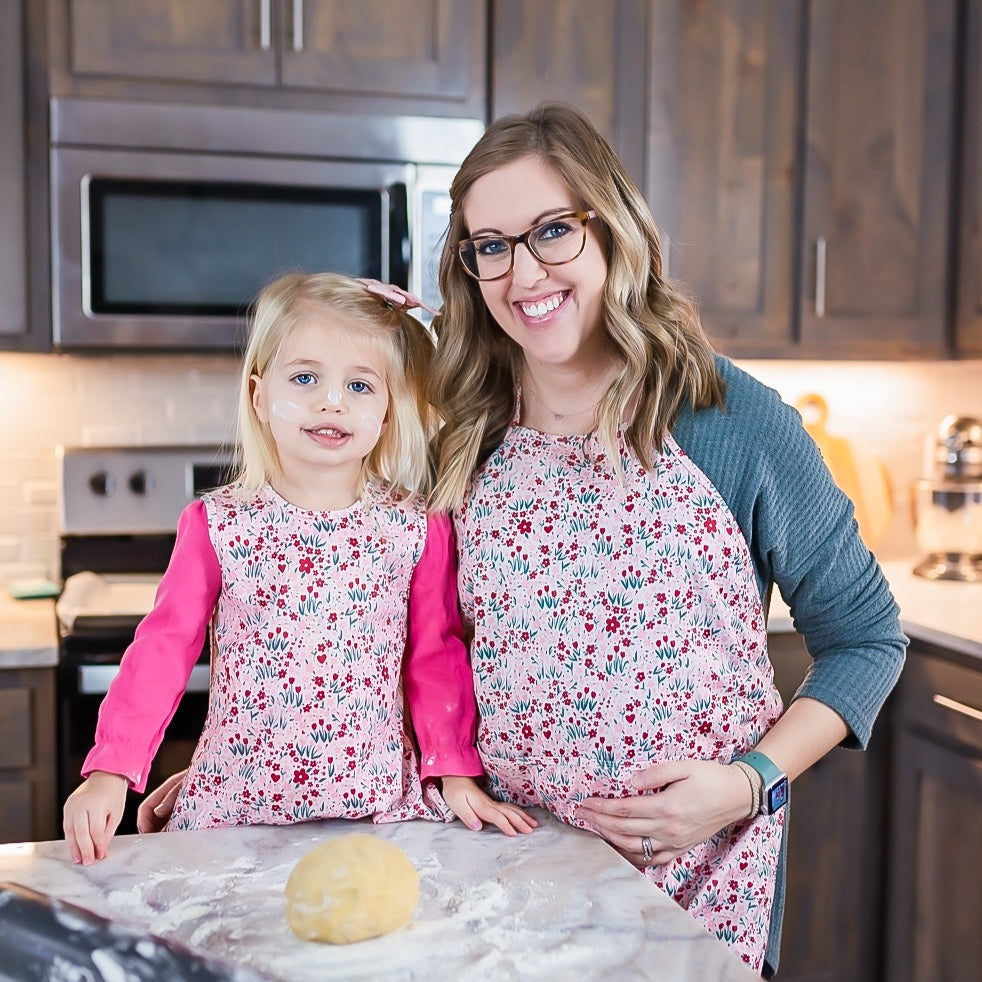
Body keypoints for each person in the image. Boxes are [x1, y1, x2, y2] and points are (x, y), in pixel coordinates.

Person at [142, 105, 906, 976]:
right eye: (491, 244)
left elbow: (866, 639)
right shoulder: (462, 431)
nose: (524, 271)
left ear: (612, 229)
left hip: (694, 883)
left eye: (552, 231)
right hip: (498, 877)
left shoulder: (730, 421)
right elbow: (395, 643)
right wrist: (250, 765)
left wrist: (746, 782)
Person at [63, 271, 536, 867]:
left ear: (389, 412)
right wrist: (112, 768)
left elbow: (435, 657)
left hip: (378, 807)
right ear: (260, 395)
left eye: (361, 386)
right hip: (233, 807)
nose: (332, 401)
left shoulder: (417, 527)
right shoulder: (217, 525)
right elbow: (162, 649)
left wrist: (455, 773)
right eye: (305, 378)